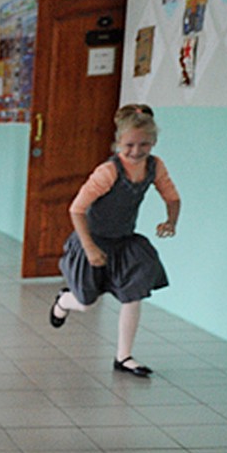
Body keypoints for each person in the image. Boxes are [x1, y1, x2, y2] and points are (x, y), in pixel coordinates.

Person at [49, 104, 180, 378]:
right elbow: (77, 209)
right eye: (129, 144)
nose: (136, 151)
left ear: (153, 142)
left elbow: (172, 197)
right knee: (86, 302)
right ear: (118, 142)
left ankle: (124, 356)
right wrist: (89, 248)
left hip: (124, 242)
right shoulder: (108, 172)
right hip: (92, 239)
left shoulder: (155, 167)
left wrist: (171, 221)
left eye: (144, 144)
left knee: (134, 295)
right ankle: (63, 301)